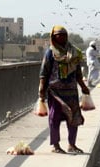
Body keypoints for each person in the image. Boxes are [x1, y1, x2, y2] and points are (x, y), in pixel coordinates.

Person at [38, 25, 91, 154]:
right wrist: (42, 90)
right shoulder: (50, 53)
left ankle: (72, 144)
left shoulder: (74, 53)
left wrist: (83, 87)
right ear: (53, 37)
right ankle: (56, 145)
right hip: (55, 92)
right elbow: (44, 73)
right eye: (58, 35)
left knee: (73, 118)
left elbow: (78, 73)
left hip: (71, 92)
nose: (61, 37)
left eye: (63, 35)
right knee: (54, 118)